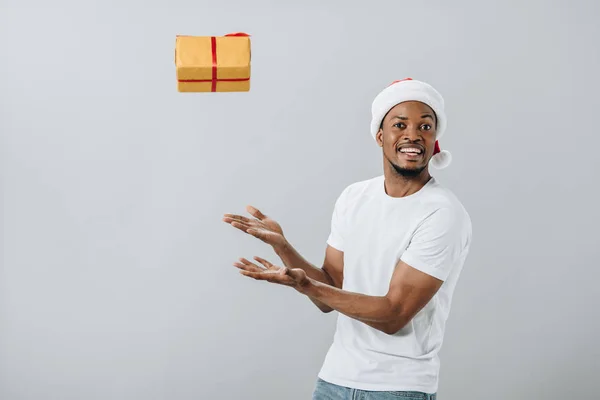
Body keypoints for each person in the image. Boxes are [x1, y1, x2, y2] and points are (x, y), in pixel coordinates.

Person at [223, 78, 472, 400]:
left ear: (434, 138)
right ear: (381, 136)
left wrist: (307, 285)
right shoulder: (355, 196)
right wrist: (283, 247)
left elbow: (393, 315)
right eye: (400, 124)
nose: (413, 134)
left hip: (398, 387)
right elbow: (330, 292)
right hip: (334, 380)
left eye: (425, 126)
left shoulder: (442, 213)